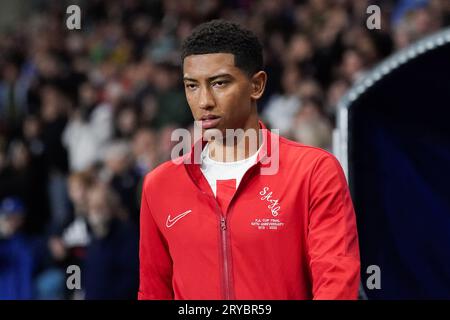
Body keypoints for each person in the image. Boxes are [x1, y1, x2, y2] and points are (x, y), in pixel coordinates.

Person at [138, 20, 360, 300]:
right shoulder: (159, 184)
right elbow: (153, 291)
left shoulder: (313, 171)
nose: (204, 101)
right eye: (192, 86)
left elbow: (336, 281)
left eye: (219, 83)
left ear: (257, 85)